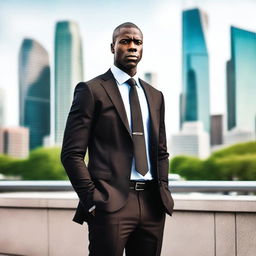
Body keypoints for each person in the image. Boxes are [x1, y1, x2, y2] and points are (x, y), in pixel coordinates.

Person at [61, 22, 174, 256]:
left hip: (153, 204)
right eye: (125, 41)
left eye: (137, 42)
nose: (132, 47)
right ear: (112, 47)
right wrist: (93, 201)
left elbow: (161, 151)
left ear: (143, 49)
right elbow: (71, 154)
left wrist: (163, 190)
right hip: (109, 204)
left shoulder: (155, 96)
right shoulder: (91, 90)